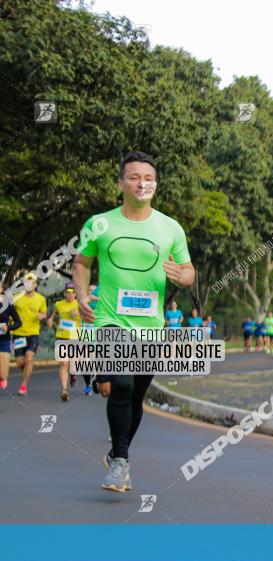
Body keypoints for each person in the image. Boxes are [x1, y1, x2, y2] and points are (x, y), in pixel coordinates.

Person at [73, 150, 195, 493]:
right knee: (122, 385)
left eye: (149, 178)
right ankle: (121, 463)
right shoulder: (100, 223)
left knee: (136, 395)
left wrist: (183, 277)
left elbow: (188, 270)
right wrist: (82, 295)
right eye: (135, 177)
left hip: (151, 326)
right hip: (109, 319)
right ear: (120, 183)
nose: (142, 183)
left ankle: (116, 452)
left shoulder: (170, 227)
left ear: (155, 184)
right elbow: (81, 263)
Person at [11, 272, 47, 396]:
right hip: (18, 333)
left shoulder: (41, 299)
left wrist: (41, 316)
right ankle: (27, 370)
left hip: (33, 333)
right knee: (20, 363)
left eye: (32, 282)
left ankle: (23, 385)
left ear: (35, 284)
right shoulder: (16, 297)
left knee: (30, 357)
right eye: (27, 282)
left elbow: (44, 313)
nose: (29, 285)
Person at [47, 282, 82, 401]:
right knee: (63, 363)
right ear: (65, 293)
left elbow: (91, 317)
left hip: (75, 337)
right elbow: (54, 314)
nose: (70, 294)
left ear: (76, 294)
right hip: (61, 336)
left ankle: (73, 375)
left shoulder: (80, 304)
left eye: (72, 292)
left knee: (73, 364)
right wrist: (50, 320)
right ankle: (64, 390)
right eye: (68, 292)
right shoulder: (59, 304)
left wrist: (78, 313)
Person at [0, 286, 23, 392]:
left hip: (4, 340)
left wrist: (8, 327)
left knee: (3, 375)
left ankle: (2, 379)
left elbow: (19, 322)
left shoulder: (7, 305)